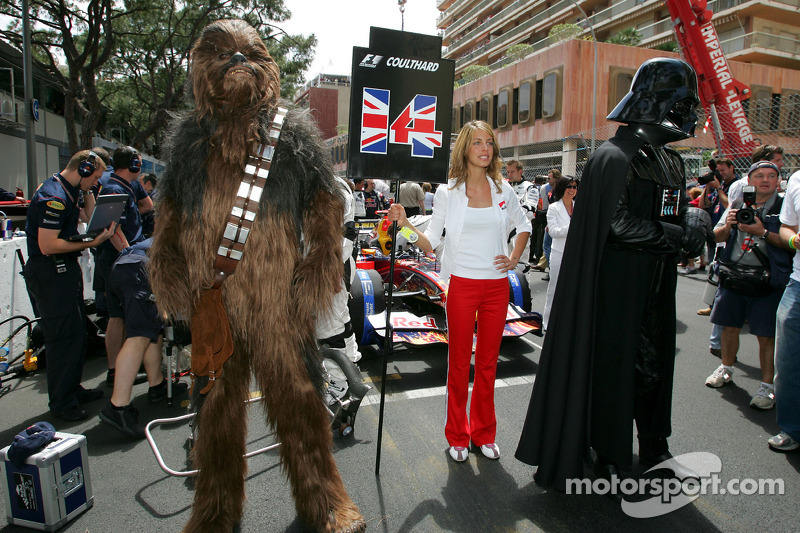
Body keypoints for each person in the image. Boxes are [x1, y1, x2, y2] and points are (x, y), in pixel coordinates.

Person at [516, 58, 711, 489]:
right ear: (660, 103)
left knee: (654, 367)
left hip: (657, 285)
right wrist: (678, 234)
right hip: (616, 288)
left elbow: (670, 214)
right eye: (682, 104)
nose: (689, 115)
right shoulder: (612, 157)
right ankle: (609, 450)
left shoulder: (670, 162)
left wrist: (692, 223)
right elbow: (615, 225)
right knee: (613, 369)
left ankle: (654, 442)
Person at [388, 120, 531, 463]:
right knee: (457, 364)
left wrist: (514, 258)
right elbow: (430, 243)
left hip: (497, 288)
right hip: (462, 286)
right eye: (477, 143)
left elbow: (524, 225)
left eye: (489, 143)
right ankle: (457, 435)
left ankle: (484, 433)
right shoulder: (447, 193)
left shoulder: (503, 190)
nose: (485, 149)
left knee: (487, 364)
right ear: (465, 149)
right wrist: (405, 226)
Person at [23, 150, 117, 421]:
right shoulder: (52, 196)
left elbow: (91, 217)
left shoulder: (70, 189)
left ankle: (72, 389)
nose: (95, 184)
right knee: (62, 338)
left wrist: (87, 190)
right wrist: (93, 243)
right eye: (94, 178)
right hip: (50, 271)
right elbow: (47, 244)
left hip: (65, 269)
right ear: (84, 169)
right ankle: (62, 402)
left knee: (77, 334)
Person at [704, 161, 793, 410]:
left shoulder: (785, 207)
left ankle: (767, 387)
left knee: (766, 336)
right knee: (729, 328)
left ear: (778, 181)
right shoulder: (737, 204)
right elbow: (717, 236)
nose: (765, 180)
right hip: (734, 276)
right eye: (759, 176)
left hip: (768, 280)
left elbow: (790, 244)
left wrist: (763, 232)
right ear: (749, 181)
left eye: (771, 176)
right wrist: (730, 223)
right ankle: (726, 368)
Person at [98, 237, 188, 438]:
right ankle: (118, 406)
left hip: (127, 265)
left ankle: (156, 385)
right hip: (139, 269)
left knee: (152, 331)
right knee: (138, 337)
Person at [94, 146, 150, 386]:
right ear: (134, 165)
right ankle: (114, 370)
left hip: (130, 255)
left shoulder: (132, 185)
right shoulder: (113, 188)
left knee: (130, 315)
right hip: (117, 259)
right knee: (116, 316)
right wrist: (128, 254)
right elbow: (112, 228)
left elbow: (148, 205)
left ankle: (128, 365)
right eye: (138, 163)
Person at [770, 168, 800, 451]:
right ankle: (792, 429)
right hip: (797, 285)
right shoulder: (797, 179)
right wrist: (794, 240)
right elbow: (786, 227)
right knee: (788, 364)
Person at [542, 176, 577, 330]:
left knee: (574, 289)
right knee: (554, 288)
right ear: (562, 188)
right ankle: (548, 321)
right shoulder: (554, 208)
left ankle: (568, 321)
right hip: (558, 253)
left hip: (576, 253)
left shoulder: (579, 207)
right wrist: (574, 228)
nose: (572, 190)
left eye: (575, 187)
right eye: (569, 186)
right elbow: (554, 232)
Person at [505, 160, 538, 274]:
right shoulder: (505, 187)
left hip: (520, 232)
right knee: (503, 265)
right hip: (504, 231)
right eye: (508, 172)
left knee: (521, 266)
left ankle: (523, 291)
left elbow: (530, 212)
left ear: (520, 171)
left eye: (512, 172)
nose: (509, 175)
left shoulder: (530, 188)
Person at [533, 169, 561, 275]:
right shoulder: (552, 190)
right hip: (551, 221)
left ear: (556, 178)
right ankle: (548, 268)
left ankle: (552, 270)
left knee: (547, 245)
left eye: (550, 178)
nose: (548, 180)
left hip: (553, 222)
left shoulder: (557, 192)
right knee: (547, 245)